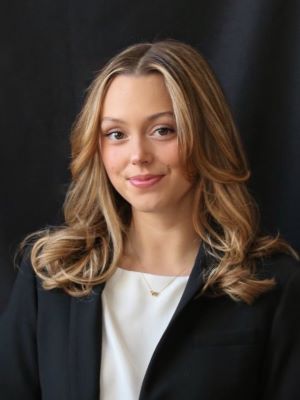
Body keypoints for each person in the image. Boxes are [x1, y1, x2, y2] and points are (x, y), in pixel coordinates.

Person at [0, 39, 299, 400]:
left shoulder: (272, 284)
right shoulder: (50, 275)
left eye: (163, 130)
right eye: (116, 134)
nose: (138, 155)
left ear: (205, 135)